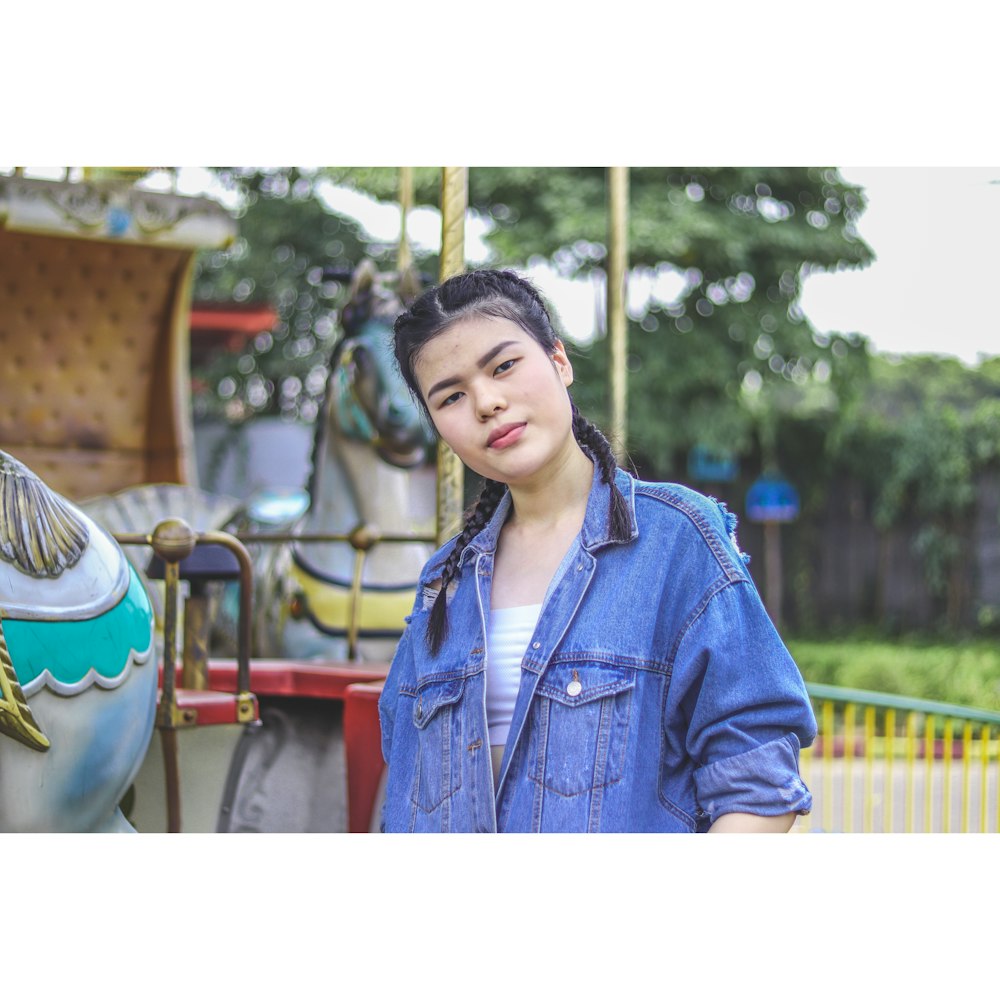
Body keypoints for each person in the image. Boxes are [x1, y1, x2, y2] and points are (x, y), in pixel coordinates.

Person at [378, 268, 816, 833]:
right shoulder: (446, 580)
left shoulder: (675, 539)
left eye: (504, 365)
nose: (486, 402)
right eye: (451, 396)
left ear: (559, 361)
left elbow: (755, 771)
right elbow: (407, 785)